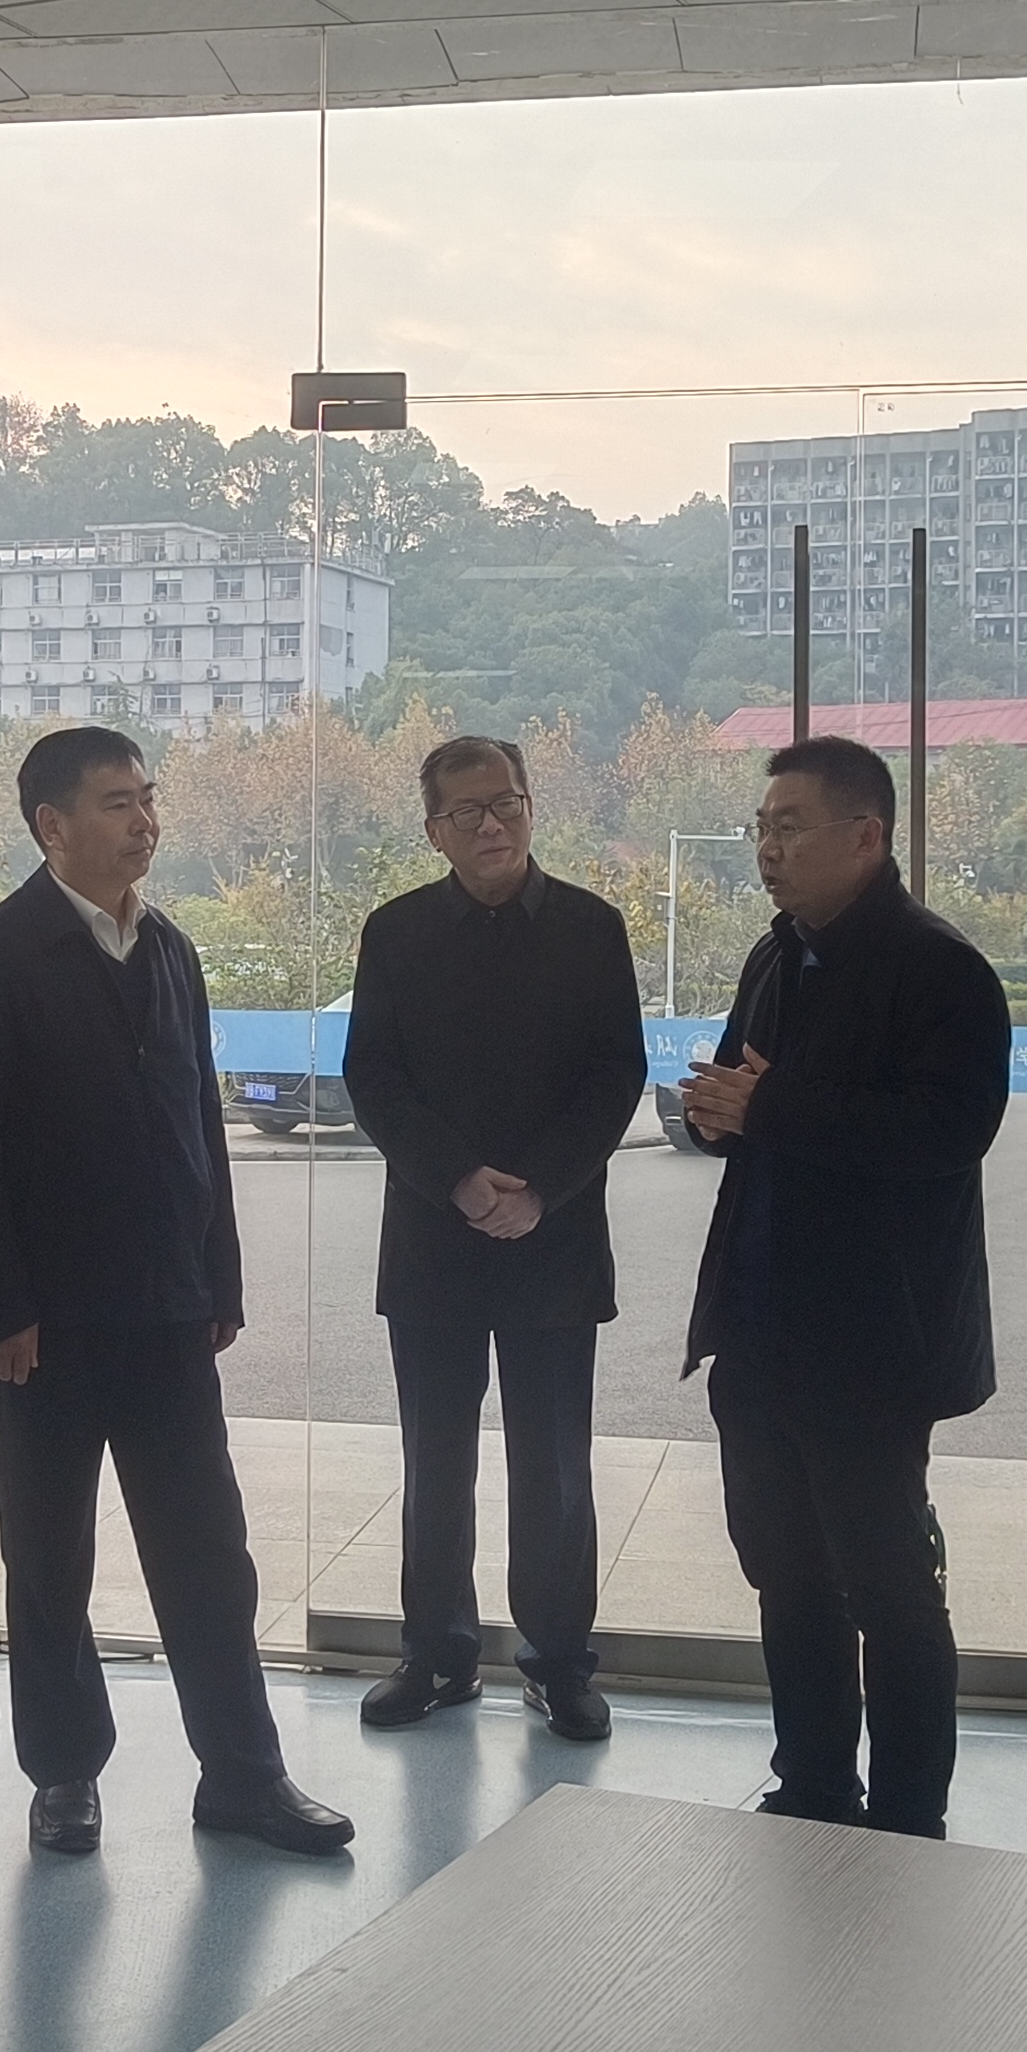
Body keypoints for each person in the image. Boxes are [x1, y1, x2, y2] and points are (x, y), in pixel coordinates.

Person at [0, 726, 352, 1864]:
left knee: (208, 1554)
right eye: (117, 802)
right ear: (51, 825)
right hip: (44, 1329)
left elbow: (197, 1121)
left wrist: (218, 1276)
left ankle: (243, 1776)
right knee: (48, 1560)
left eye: (148, 798)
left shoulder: (168, 948)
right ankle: (64, 1773)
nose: (144, 821)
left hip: (166, 1313)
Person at [677, 735, 1011, 1841]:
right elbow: (742, 1100)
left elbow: (950, 1133)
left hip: (872, 1342)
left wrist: (769, 1109)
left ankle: (911, 1816)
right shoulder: (776, 957)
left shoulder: (940, 970)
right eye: (761, 827)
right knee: (784, 1574)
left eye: (789, 827)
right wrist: (717, 1116)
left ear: (865, 836)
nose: (765, 848)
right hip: (758, 1331)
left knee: (890, 1589)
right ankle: (813, 1785)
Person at [341, 735, 645, 1743]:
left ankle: (557, 1664)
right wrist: (460, 1181)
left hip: (553, 1239)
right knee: (436, 1462)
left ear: (530, 807)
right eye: (466, 810)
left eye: (505, 801)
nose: (490, 823)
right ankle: (437, 1655)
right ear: (434, 830)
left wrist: (539, 1189)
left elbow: (616, 1074)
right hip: (435, 1237)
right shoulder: (395, 932)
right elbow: (374, 1076)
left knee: (553, 1466)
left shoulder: (593, 928)